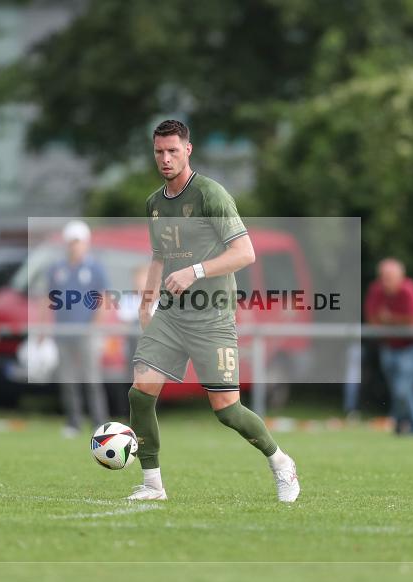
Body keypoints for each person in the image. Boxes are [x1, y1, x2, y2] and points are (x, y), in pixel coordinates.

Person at [126, 119, 299, 502]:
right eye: (159, 151)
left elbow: (245, 253)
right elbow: (159, 256)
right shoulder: (155, 203)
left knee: (227, 410)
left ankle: (281, 461)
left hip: (212, 316)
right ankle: (152, 484)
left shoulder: (210, 194)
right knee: (140, 393)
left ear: (188, 150)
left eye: (173, 150)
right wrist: (145, 303)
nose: (165, 158)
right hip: (171, 315)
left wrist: (196, 270)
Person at [46, 220, 110, 438]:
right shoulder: (57, 269)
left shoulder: (95, 268)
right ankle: (73, 421)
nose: (75, 246)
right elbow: (49, 300)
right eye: (71, 242)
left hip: (87, 332)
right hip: (63, 332)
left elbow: (102, 300)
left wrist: (95, 328)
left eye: (78, 242)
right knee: (67, 378)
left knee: (91, 377)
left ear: (86, 243)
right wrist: (45, 328)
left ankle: (98, 422)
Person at [364, 258, 413, 435]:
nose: (385, 282)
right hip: (389, 346)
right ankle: (400, 426)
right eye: (383, 277)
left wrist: (389, 319)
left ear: (401, 277)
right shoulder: (376, 290)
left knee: (403, 390)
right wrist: (393, 322)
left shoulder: (409, 290)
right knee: (397, 390)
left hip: (411, 347)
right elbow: (372, 319)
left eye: (389, 277)